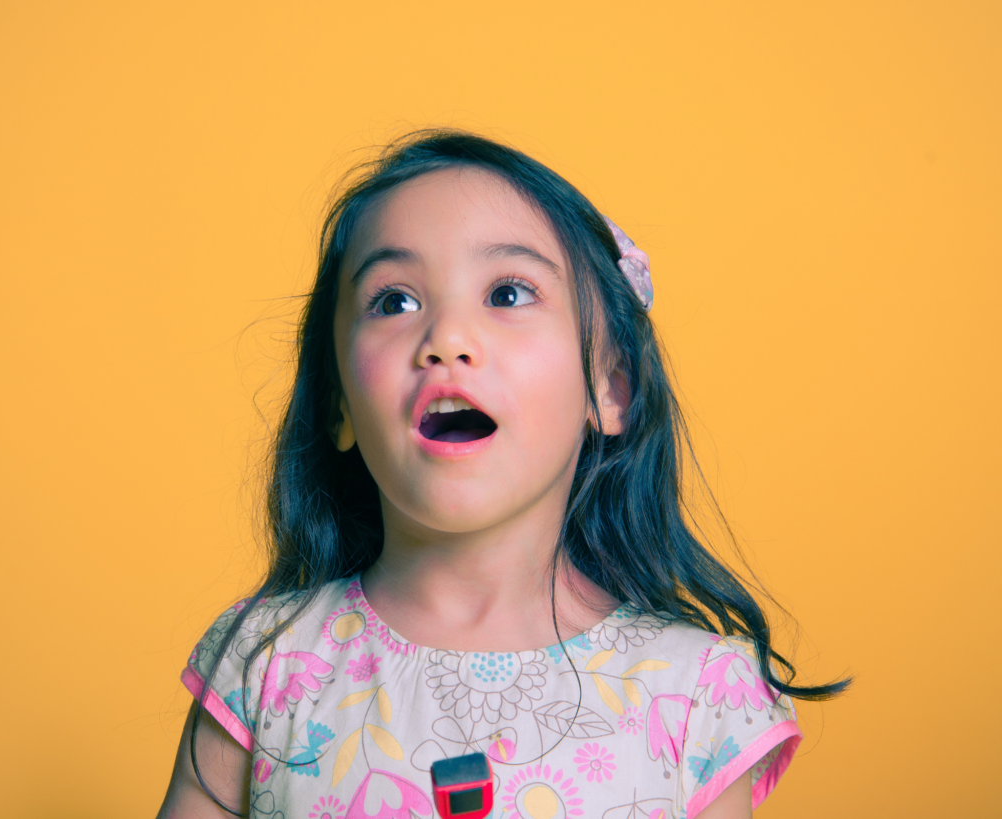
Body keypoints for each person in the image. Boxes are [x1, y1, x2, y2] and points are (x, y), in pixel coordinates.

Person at [157, 131, 847, 819]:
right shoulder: (265, 661)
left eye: (509, 293)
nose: (447, 338)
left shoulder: (697, 694)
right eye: (394, 301)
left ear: (610, 388)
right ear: (338, 401)